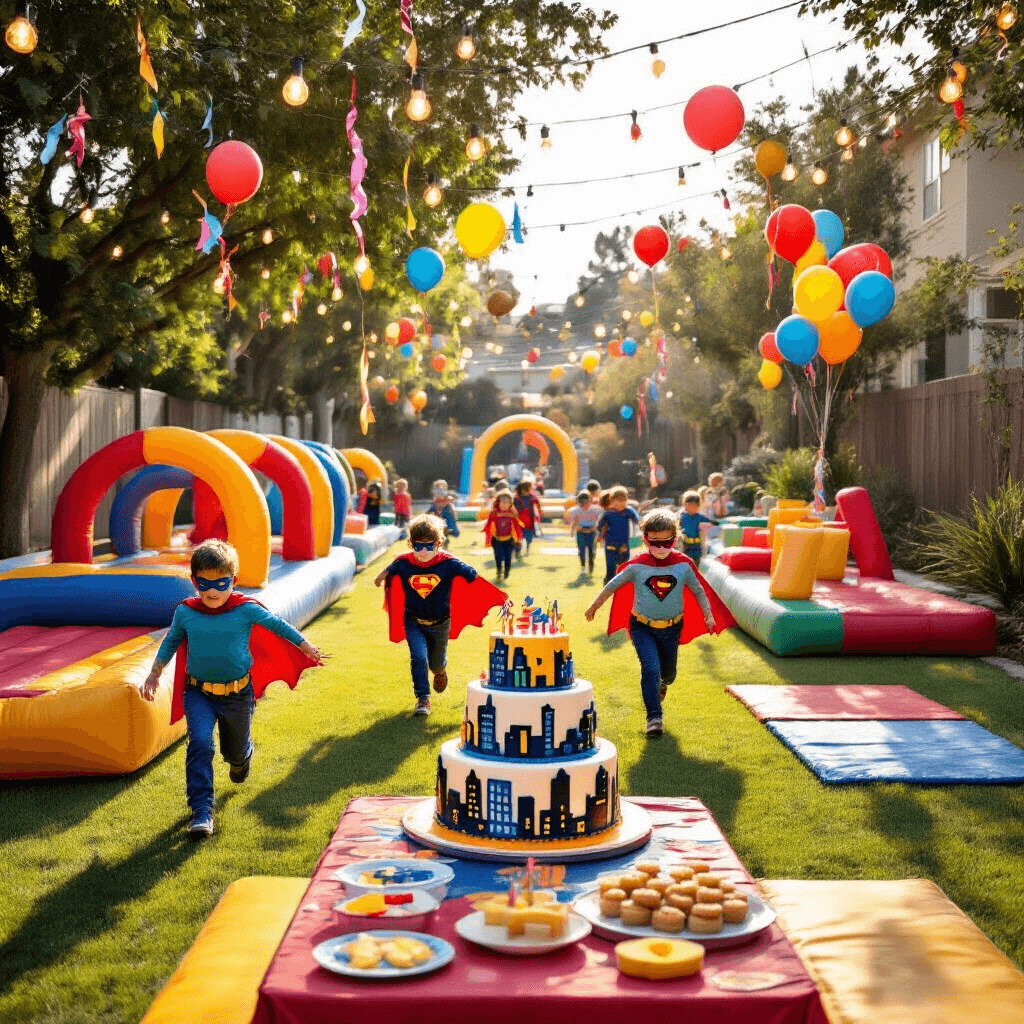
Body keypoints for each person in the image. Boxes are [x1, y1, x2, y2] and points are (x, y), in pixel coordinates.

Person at [140, 539, 324, 836]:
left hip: (238, 695)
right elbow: (171, 641)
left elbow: (277, 624)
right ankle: (201, 810)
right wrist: (154, 673)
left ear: (234, 581)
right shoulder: (186, 612)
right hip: (198, 693)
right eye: (204, 583)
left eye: (221, 583)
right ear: (194, 581)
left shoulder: (245, 610)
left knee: (234, 753)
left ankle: (242, 756)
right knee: (201, 744)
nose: (212, 591)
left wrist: (305, 645)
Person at [584, 510, 734, 738]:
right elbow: (612, 585)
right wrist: (595, 605)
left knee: (668, 674)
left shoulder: (683, 564)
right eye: (656, 543)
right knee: (651, 669)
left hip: (672, 628)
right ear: (646, 540)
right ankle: (654, 718)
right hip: (642, 626)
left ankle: (663, 685)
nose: (662, 548)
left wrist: (708, 615)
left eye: (667, 542)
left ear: (675, 539)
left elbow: (698, 590)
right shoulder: (637, 566)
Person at [375, 514, 505, 716]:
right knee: (418, 657)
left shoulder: (447, 562)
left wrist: (474, 576)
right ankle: (423, 698)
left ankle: (440, 671)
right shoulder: (404, 562)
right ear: (411, 544)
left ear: (439, 544)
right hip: (413, 621)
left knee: (435, 663)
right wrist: (380, 577)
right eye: (418, 546)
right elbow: (389, 569)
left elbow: (470, 573)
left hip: (440, 623)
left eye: (429, 546)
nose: (424, 551)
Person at [597, 485, 640, 583]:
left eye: (624, 501)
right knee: (611, 566)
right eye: (619, 501)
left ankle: (622, 584)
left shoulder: (628, 511)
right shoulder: (608, 513)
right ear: (612, 500)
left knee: (624, 565)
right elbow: (600, 526)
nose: (622, 503)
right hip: (610, 544)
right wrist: (599, 536)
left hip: (624, 544)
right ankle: (608, 584)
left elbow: (637, 520)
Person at [482, 490, 523, 581]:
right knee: (498, 557)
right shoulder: (494, 513)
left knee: (508, 557)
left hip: (509, 540)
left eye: (507, 503)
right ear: (498, 503)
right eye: (502, 502)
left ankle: (507, 571)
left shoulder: (512, 513)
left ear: (510, 504)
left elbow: (516, 525)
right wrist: (486, 531)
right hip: (497, 540)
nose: (504, 505)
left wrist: (519, 537)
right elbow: (488, 524)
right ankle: (499, 572)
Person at [566, 490, 601, 575]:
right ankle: (583, 566)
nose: (584, 505)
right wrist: (572, 530)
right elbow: (573, 521)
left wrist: (596, 529)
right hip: (580, 532)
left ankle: (591, 564)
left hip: (592, 532)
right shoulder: (576, 510)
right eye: (582, 503)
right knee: (581, 549)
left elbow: (599, 521)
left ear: (589, 501)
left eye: (586, 502)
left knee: (591, 550)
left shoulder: (595, 510)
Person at [678, 490, 718, 564]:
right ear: (686, 505)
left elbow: (710, 521)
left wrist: (719, 523)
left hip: (696, 546)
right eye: (691, 505)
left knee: (696, 562)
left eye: (696, 506)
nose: (694, 508)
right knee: (685, 562)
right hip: (685, 545)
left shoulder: (699, 517)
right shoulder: (682, 516)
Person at [513, 479, 544, 557]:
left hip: (529, 523)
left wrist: (539, 514)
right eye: (526, 489)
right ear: (521, 490)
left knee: (528, 538)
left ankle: (527, 550)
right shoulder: (516, 498)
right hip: (518, 522)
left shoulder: (532, 498)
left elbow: (538, 506)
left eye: (528, 489)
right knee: (517, 538)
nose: (528, 491)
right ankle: (517, 551)